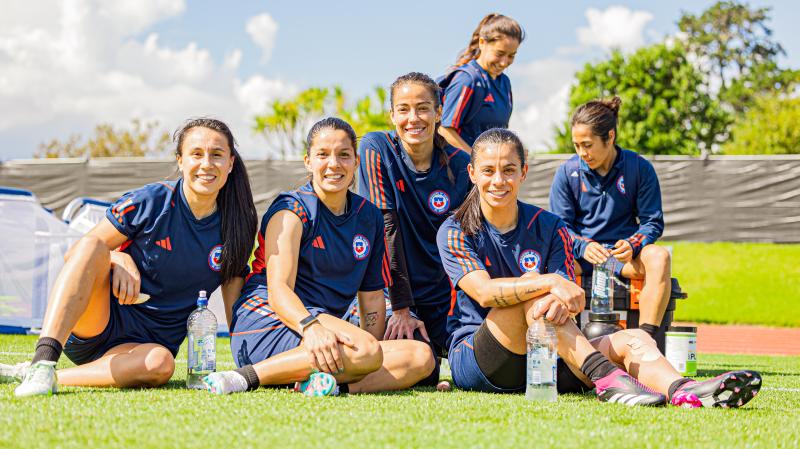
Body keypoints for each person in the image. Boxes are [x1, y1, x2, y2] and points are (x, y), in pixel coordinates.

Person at [438, 128, 761, 407]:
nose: (499, 180)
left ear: (524, 172)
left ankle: (684, 390)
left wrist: (558, 292)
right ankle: (606, 378)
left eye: (508, 170)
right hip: (482, 360)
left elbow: (570, 300)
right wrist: (547, 281)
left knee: (632, 338)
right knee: (534, 294)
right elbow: (484, 293)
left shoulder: (550, 227)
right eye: (488, 171)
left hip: (549, 356)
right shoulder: (455, 229)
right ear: (472, 173)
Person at [2, 118, 258, 397]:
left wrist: (249, 368)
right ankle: (43, 362)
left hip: (143, 351)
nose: (206, 164)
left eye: (217, 155)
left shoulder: (237, 225)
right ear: (181, 161)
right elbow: (79, 252)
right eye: (196, 154)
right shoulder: (152, 200)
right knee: (92, 244)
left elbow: (234, 303)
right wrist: (116, 258)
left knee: (161, 365)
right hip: (98, 323)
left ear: (230, 163)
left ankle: (42, 375)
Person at [203, 118, 435, 396]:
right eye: (323, 155)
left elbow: (371, 299)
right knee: (367, 350)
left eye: (343, 155)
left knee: (422, 357)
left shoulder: (369, 217)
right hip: (273, 319)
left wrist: (366, 361)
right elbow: (279, 292)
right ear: (308, 161)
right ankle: (243, 378)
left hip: (323, 327)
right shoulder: (291, 210)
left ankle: (328, 386)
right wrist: (311, 327)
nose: (334, 164)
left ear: (356, 162)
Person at [345, 73, 471, 375]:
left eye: (423, 108)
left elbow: (474, 235)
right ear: (392, 115)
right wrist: (401, 308)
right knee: (418, 356)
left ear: (439, 113)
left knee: (473, 359)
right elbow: (386, 227)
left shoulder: (461, 164)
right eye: (403, 109)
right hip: (393, 293)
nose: (413, 118)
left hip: (442, 297)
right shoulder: (377, 147)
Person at [549, 97, 671, 339]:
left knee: (660, 256)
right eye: (576, 145)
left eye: (587, 144)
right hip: (580, 261)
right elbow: (559, 228)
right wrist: (583, 246)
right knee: (547, 266)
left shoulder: (639, 168)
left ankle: (645, 339)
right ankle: (563, 342)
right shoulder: (566, 172)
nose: (582, 153)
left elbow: (652, 222)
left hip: (622, 260)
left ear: (610, 137)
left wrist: (633, 244)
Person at [437, 13, 523, 151]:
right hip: (461, 169)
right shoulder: (467, 80)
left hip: (488, 169)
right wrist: (477, 161)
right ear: (482, 43)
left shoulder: (505, 83)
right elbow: (445, 131)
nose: (504, 62)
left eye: (511, 56)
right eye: (499, 54)